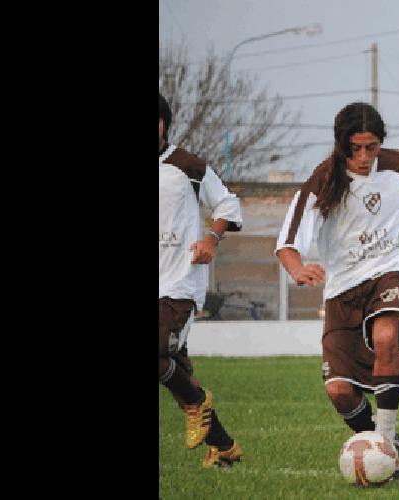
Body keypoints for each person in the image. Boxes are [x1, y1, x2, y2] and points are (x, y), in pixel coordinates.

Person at [275, 102, 399, 479]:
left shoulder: (398, 165)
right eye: (354, 148)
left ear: (380, 143)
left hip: (390, 274)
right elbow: (287, 242)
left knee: (386, 337)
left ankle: (386, 442)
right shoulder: (322, 181)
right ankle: (379, 444)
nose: (363, 157)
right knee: (340, 391)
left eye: (370, 147)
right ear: (341, 144)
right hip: (343, 289)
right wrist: (298, 269)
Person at [159, 92, 244, 468]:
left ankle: (197, 404)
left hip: (179, 285)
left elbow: (228, 204)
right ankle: (225, 448)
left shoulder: (187, 166)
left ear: (164, 124)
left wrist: (211, 237)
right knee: (178, 378)